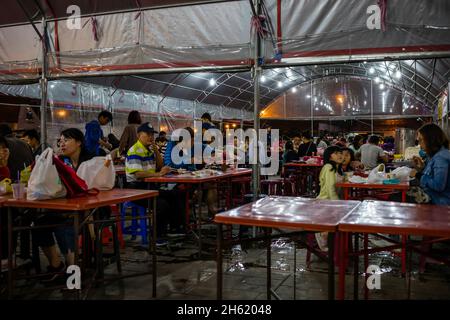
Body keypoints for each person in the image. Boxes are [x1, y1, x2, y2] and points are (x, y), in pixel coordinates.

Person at [33, 128, 95, 280]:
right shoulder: (61, 162)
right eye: (60, 141)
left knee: (65, 227)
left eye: (66, 140)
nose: (62, 144)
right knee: (39, 224)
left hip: (91, 211)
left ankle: (74, 274)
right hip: (66, 209)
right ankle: (56, 265)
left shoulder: (91, 161)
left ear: (79, 142)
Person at [126, 123, 185, 237]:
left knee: (176, 194)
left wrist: (156, 151)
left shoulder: (149, 149)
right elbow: (138, 174)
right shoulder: (135, 150)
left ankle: (175, 228)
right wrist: (159, 173)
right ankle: (157, 236)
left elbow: (160, 165)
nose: (150, 137)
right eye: (147, 134)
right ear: (139, 135)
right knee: (161, 204)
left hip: (149, 187)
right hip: (136, 190)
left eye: (152, 135)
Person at [409, 123, 450, 205]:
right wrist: (422, 167)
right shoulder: (436, 155)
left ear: (430, 139)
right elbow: (433, 176)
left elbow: (438, 186)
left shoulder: (441, 158)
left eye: (421, 140)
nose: (420, 144)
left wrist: (418, 175)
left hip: (439, 202)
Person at [315, 146, 344, 251]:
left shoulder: (337, 168)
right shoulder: (328, 167)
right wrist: (339, 205)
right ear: (330, 156)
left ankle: (336, 245)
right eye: (336, 153)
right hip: (325, 202)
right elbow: (330, 189)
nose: (340, 155)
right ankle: (323, 237)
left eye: (340, 152)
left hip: (332, 201)